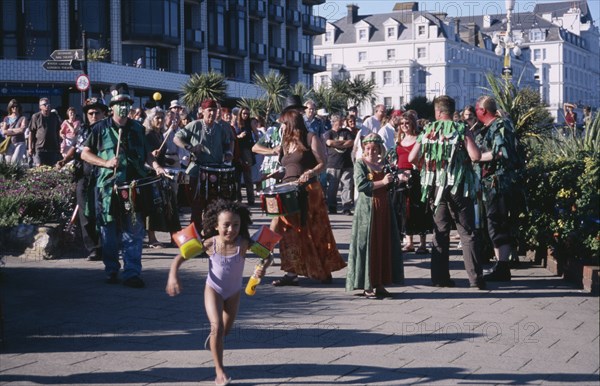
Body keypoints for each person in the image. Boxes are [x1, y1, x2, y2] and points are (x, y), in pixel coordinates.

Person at [166, 199, 272, 386]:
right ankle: (219, 371)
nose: (231, 229)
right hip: (213, 289)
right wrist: (173, 276)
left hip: (234, 292)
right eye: (226, 225)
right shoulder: (209, 244)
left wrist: (262, 268)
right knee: (217, 327)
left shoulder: (244, 243)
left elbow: (267, 255)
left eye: (236, 225)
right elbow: (180, 258)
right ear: (216, 225)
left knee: (226, 331)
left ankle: (214, 343)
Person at [81, 83, 165, 288]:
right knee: (108, 231)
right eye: (120, 103)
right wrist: (106, 162)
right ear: (112, 107)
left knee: (134, 229)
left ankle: (132, 272)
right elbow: (84, 153)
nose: (124, 107)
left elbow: (147, 153)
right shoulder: (100, 128)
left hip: (133, 186)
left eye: (127, 103)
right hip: (108, 187)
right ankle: (111, 269)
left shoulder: (138, 129)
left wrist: (156, 166)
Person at [409, 95, 486, 290]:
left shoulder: (428, 129)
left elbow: (412, 157)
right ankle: (475, 279)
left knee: (440, 231)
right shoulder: (461, 129)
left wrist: (425, 167)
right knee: (466, 232)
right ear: (452, 111)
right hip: (458, 185)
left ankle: (440, 278)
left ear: (437, 112)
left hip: (436, 187)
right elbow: (475, 156)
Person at [270, 109, 346, 286]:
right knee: (289, 232)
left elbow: (322, 163)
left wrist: (310, 172)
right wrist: (277, 175)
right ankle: (291, 273)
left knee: (316, 230)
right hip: (288, 190)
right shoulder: (285, 142)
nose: (281, 127)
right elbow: (286, 167)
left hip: (309, 190)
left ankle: (324, 269)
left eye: (283, 123)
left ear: (290, 123)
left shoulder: (310, 137)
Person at [346, 133, 405, 298]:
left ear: (380, 149)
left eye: (374, 148)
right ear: (364, 149)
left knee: (383, 245)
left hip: (384, 209)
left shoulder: (384, 164)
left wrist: (397, 179)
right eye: (368, 148)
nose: (371, 151)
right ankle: (367, 285)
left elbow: (389, 185)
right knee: (369, 245)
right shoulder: (360, 164)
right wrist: (383, 182)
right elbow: (362, 185)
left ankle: (380, 283)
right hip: (368, 211)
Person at [473, 95, 524, 282]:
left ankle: (503, 266)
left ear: (483, 111)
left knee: (498, 223)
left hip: (499, 183)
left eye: (477, 109)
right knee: (493, 223)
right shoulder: (489, 127)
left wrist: (478, 157)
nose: (475, 112)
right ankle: (500, 264)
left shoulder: (501, 126)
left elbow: (502, 152)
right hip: (490, 184)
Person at [57, 97, 108, 261]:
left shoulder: (109, 130)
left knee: (103, 212)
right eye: (89, 113)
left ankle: (106, 245)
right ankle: (93, 248)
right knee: (85, 213)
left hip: (104, 176)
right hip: (84, 176)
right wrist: (64, 160)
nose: (93, 115)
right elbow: (75, 148)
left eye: (96, 112)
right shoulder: (83, 130)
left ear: (104, 114)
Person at [174, 99, 233, 230]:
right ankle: (195, 239)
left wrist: (228, 152)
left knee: (213, 207)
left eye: (214, 110)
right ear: (202, 111)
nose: (212, 113)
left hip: (215, 172)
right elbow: (176, 137)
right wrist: (189, 147)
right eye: (209, 110)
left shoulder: (220, 128)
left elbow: (227, 143)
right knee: (196, 206)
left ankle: (210, 236)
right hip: (197, 170)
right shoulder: (195, 125)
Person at [385, 111, 430, 254]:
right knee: (405, 209)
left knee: (419, 208)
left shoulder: (419, 138)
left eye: (407, 123)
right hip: (401, 178)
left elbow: (424, 157)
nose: (404, 126)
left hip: (416, 176)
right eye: (401, 123)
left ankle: (423, 244)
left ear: (412, 123)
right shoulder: (399, 139)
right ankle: (409, 242)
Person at [323, 113, 355, 215]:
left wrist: (337, 143)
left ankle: (346, 207)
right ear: (334, 122)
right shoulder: (329, 133)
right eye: (339, 121)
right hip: (333, 164)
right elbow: (329, 143)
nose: (341, 123)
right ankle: (332, 206)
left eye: (342, 121)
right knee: (333, 187)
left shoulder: (346, 132)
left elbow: (350, 142)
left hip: (346, 164)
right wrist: (342, 144)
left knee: (347, 186)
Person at [233, 107, 256, 205]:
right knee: (237, 178)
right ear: (240, 113)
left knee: (248, 177)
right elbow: (233, 136)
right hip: (237, 151)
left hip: (247, 151)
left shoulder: (249, 123)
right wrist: (239, 136)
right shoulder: (236, 123)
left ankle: (251, 199)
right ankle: (238, 199)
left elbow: (255, 134)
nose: (246, 115)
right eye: (244, 113)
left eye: (247, 113)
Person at [29, 97, 62, 166]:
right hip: (39, 148)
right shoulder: (36, 116)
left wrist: (59, 146)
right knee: (39, 167)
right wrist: (30, 147)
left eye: (48, 104)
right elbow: (31, 132)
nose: (47, 106)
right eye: (45, 104)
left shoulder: (54, 116)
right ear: (40, 107)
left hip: (52, 148)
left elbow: (57, 132)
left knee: (51, 169)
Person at [0, 99, 28, 165]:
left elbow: (22, 130)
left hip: (20, 142)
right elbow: (3, 131)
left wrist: (9, 130)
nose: (14, 108)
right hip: (9, 143)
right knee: (8, 163)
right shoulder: (6, 118)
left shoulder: (23, 118)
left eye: (16, 106)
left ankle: (17, 175)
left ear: (19, 107)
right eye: (13, 106)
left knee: (15, 161)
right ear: (10, 107)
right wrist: (16, 130)